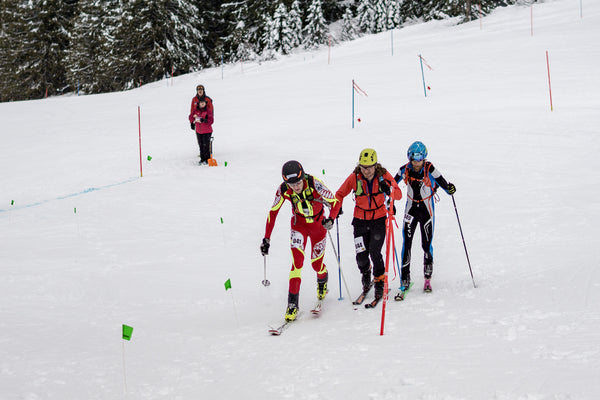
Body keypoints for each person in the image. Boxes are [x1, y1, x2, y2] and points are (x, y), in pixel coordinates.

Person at [260, 160, 337, 322]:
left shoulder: (315, 183)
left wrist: (331, 219)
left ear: (303, 177)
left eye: (298, 183)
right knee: (297, 263)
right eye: (291, 184)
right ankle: (292, 304)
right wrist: (267, 238)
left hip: (318, 227)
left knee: (316, 264)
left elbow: (334, 202)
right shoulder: (283, 190)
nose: (295, 187)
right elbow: (273, 212)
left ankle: (322, 279)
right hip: (299, 226)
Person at [327, 149, 402, 307]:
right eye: (363, 167)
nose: (366, 171)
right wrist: (335, 211)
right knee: (361, 256)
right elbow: (339, 194)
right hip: (360, 221)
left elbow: (399, 194)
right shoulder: (355, 177)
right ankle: (366, 274)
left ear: (375, 165)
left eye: (369, 167)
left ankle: (380, 282)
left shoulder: (383, 175)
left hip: (379, 220)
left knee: (375, 253)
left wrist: (388, 189)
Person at [393, 141, 456, 299]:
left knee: (426, 244)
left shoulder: (430, 168)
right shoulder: (405, 169)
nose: (416, 162)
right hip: (411, 210)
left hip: (426, 210)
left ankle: (427, 277)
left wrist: (450, 189)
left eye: (420, 158)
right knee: (406, 243)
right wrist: (388, 198)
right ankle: (405, 279)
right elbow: (392, 185)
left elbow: (443, 183)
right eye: (413, 158)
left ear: (424, 158)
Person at [188, 97, 214, 165]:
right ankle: (202, 159)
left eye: (203, 102)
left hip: (207, 131)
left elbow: (211, 121)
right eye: (201, 102)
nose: (202, 104)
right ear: (198, 103)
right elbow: (190, 117)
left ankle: (207, 159)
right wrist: (192, 120)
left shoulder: (208, 111)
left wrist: (204, 120)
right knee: (201, 145)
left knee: (206, 145)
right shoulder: (195, 110)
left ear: (205, 103)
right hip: (199, 131)